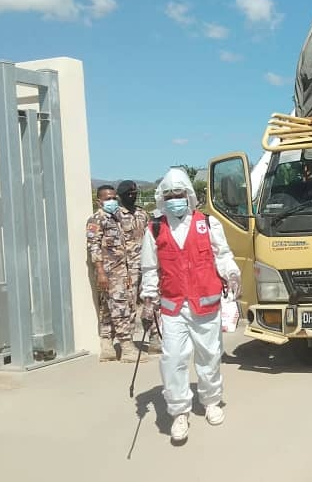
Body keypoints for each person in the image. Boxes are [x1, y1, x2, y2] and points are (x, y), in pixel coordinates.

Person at [140, 167, 241, 443]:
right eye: (170, 194)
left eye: (180, 193)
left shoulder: (207, 224)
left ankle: (211, 401)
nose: (175, 198)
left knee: (209, 357)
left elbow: (223, 255)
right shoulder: (154, 228)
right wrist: (148, 299)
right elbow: (150, 269)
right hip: (173, 306)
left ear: (189, 195)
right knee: (173, 359)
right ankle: (179, 411)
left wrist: (231, 273)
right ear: (163, 197)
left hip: (206, 303)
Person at [86, 185, 146, 363]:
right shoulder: (96, 220)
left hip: (124, 269)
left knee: (109, 308)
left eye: (113, 197)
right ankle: (126, 346)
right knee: (120, 307)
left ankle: (107, 345)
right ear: (99, 201)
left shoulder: (118, 217)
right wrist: (101, 272)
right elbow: (94, 247)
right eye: (107, 198)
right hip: (110, 271)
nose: (112, 201)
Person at [116, 180, 161, 355]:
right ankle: (127, 343)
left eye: (135, 193)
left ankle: (154, 338)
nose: (132, 196)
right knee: (129, 306)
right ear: (121, 195)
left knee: (152, 302)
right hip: (127, 269)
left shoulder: (143, 214)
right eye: (129, 193)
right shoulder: (117, 216)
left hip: (147, 266)